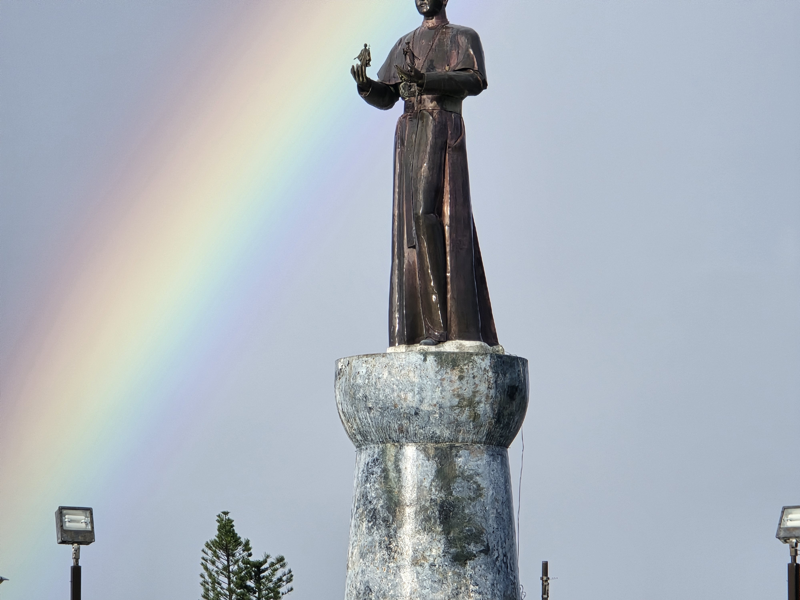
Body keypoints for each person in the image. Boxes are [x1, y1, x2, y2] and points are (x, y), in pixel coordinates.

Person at [350, 0, 499, 348]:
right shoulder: (405, 42)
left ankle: (441, 327)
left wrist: (427, 80)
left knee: (425, 213)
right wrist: (366, 86)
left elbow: (474, 80)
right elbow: (388, 95)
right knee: (410, 229)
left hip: (440, 125)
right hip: (409, 130)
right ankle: (416, 329)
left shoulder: (463, 37)